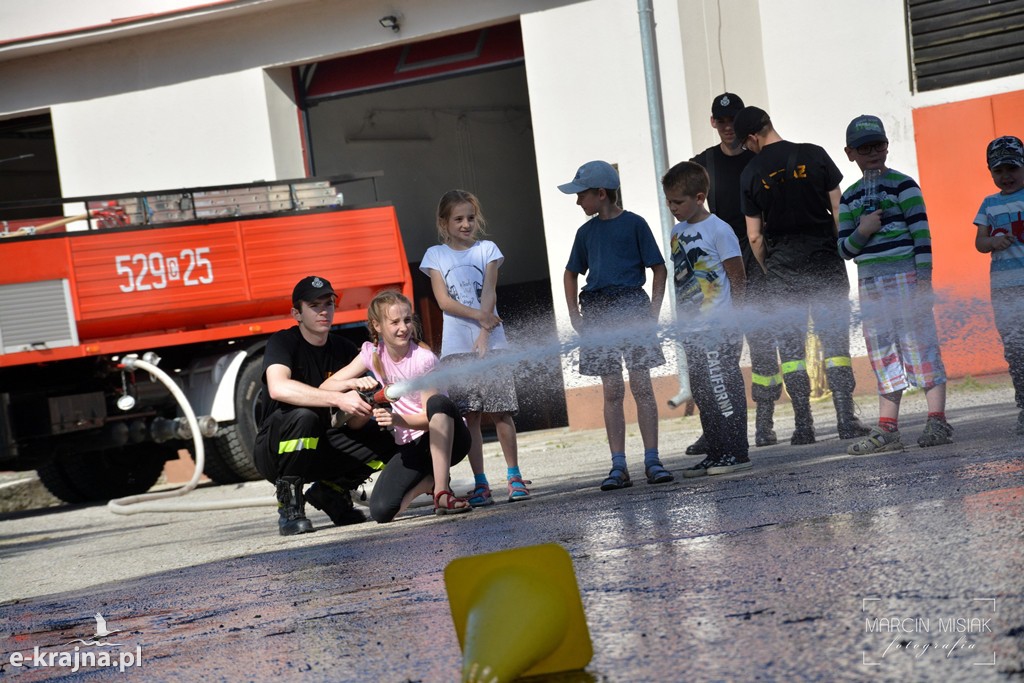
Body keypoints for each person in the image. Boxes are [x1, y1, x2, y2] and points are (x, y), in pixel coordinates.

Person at [735, 106, 870, 445]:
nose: (746, 149)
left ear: (752, 137)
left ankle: (803, 427)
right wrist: (841, 249)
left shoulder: (751, 172)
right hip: (824, 259)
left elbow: (754, 236)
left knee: (792, 351)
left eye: (745, 143)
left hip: (782, 268)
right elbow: (839, 208)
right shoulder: (814, 155)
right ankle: (844, 419)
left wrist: (770, 268)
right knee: (836, 344)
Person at [837, 115, 952, 453]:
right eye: (864, 147)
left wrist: (923, 282)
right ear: (850, 153)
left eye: (879, 145)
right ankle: (888, 430)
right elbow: (844, 249)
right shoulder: (849, 198)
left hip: (906, 278)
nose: (873, 152)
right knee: (882, 351)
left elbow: (922, 237)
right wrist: (864, 229)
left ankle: (937, 420)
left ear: (887, 145)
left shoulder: (904, 186)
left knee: (920, 346)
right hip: (871, 283)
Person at [559, 160, 672, 490]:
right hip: (596, 312)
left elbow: (658, 269)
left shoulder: (635, 225)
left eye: (581, 195)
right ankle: (618, 466)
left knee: (641, 386)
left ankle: (653, 460)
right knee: (611, 389)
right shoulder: (585, 233)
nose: (578, 202)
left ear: (601, 193)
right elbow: (570, 273)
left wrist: (652, 311)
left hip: (632, 308)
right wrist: (574, 315)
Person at [253, 275, 395, 536]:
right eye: (314, 305)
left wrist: (362, 406)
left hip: (324, 443)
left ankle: (332, 491)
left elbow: (353, 424)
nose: (323, 311)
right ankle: (290, 505)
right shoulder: (283, 342)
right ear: (297, 313)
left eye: (328, 304)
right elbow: (278, 387)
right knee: (303, 417)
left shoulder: (344, 349)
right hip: (277, 450)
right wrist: (339, 397)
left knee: (390, 435)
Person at [323, 290, 474, 520]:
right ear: (377, 325)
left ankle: (442, 492)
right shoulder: (372, 353)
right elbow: (326, 388)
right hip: (412, 445)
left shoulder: (423, 359)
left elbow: (433, 417)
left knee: (438, 401)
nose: (403, 327)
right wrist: (354, 383)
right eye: (394, 322)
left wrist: (397, 420)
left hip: (450, 437)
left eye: (407, 320)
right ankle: (428, 482)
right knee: (382, 512)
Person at [420, 190, 529, 506]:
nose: (466, 224)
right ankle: (481, 483)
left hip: (492, 345)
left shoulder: (488, 250)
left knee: (501, 413)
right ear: (444, 222)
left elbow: (490, 292)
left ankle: (514, 477)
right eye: (458, 219)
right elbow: (444, 301)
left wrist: (484, 333)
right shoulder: (435, 256)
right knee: (470, 417)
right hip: (456, 350)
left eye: (470, 217)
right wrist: (481, 318)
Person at [687, 92, 782, 454]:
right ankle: (715, 427)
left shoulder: (757, 157)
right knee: (716, 349)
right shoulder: (703, 164)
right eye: (721, 121)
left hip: (754, 258)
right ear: (713, 123)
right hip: (716, 265)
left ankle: (765, 420)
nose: (728, 128)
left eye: (734, 121)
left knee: (760, 341)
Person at [662, 161, 752, 476]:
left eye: (678, 202)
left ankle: (736, 452)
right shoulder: (676, 231)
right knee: (702, 390)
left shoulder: (719, 229)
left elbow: (737, 277)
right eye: (669, 202)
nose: (672, 208)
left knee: (721, 384)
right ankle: (715, 451)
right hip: (692, 329)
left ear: (699, 197)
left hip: (719, 326)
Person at [973, 135, 1024, 436]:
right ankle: (1023, 406)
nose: (1005, 177)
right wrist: (992, 241)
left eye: (1012, 169)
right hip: (1004, 291)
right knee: (1016, 350)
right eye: (998, 171)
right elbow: (979, 242)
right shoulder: (989, 204)